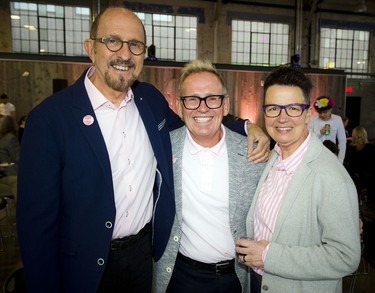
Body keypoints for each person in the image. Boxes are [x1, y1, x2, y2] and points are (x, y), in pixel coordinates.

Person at [16, 7, 270, 293]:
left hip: (143, 259)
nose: (125, 54)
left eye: (135, 45)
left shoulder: (149, 99)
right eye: (112, 41)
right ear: (91, 48)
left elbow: (198, 121)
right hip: (82, 269)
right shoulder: (50, 118)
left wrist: (249, 128)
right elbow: (35, 227)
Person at [236, 67, 361, 293]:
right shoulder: (273, 156)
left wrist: (267, 255)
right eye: (273, 108)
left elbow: (346, 257)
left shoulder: (330, 176)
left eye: (293, 108)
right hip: (259, 283)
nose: (282, 118)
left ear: (307, 114)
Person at [153, 59, 265, 293]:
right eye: (192, 99)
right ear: (180, 106)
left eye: (212, 99)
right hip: (179, 276)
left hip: (233, 278)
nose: (202, 108)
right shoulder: (163, 149)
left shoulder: (252, 154)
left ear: (225, 105)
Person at [308, 96, 346, 163]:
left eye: (325, 112)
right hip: (316, 154)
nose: (322, 115)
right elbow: (308, 139)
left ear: (330, 109)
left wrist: (340, 160)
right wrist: (320, 132)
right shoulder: (313, 119)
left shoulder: (337, 119)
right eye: (320, 113)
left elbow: (342, 141)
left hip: (332, 154)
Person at [344, 126, 375, 200]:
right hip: (369, 178)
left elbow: (348, 164)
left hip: (354, 178)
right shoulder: (371, 148)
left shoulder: (349, 149)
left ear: (354, 136)